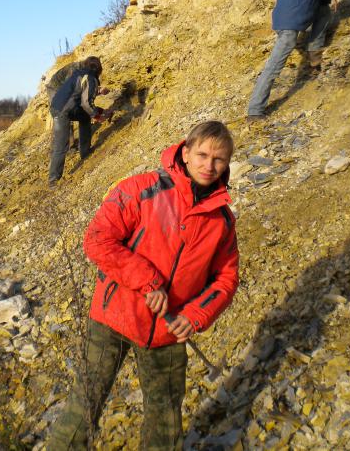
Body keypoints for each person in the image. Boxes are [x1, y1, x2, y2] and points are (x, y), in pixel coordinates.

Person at [49, 120, 240, 450]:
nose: (209, 165)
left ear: (227, 163)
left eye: (218, 159)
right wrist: (147, 281)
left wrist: (195, 316)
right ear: (185, 152)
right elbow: (97, 240)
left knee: (165, 422)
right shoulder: (141, 188)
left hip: (168, 329)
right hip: (113, 316)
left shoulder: (221, 220)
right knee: (84, 405)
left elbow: (226, 279)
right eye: (202, 155)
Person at [48, 56, 109, 186]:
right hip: (63, 111)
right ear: (99, 69)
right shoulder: (91, 78)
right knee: (61, 145)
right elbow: (86, 103)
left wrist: (98, 111)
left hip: (57, 107)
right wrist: (98, 116)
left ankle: (85, 152)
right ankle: (54, 179)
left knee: (85, 117)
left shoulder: (78, 73)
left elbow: (80, 96)